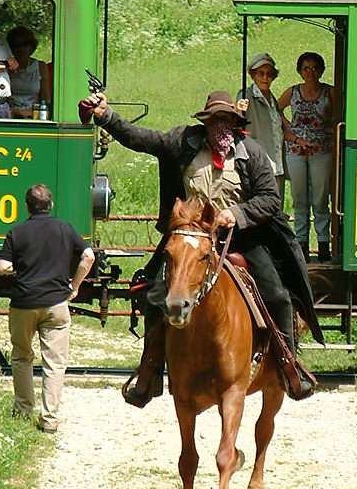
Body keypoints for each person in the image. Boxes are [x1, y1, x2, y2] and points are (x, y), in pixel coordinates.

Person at [84, 89, 322, 408]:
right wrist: (106, 116)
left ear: (235, 123)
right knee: (153, 290)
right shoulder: (182, 142)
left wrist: (235, 213)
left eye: (226, 120)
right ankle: (149, 370)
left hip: (241, 236)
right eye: (214, 120)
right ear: (206, 122)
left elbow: (269, 198)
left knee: (277, 295)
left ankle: (288, 365)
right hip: (190, 235)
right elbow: (141, 138)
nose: (220, 126)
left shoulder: (252, 152)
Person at [0, 184, 95, 433]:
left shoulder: (16, 232)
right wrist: (74, 285)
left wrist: (22, 268)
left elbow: (3, 268)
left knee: (21, 356)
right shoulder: (65, 229)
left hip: (24, 304)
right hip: (56, 304)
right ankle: (49, 418)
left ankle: (22, 410)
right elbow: (89, 257)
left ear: (27, 207)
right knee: (54, 362)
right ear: (51, 205)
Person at [277, 51, 339, 263]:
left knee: (321, 199)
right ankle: (301, 244)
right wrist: (290, 130)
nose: (310, 72)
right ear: (300, 71)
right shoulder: (293, 92)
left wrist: (330, 129)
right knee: (299, 198)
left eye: (314, 68)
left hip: (322, 150)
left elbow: (342, 112)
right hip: (295, 150)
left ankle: (323, 244)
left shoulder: (329, 91)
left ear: (321, 70)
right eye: (306, 68)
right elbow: (276, 109)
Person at [236, 53, 306, 201]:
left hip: (277, 164)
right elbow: (237, 123)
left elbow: (277, 130)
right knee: (262, 205)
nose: (265, 78)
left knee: (276, 207)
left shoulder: (272, 98)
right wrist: (238, 110)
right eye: (261, 73)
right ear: (253, 75)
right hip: (259, 163)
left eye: (269, 74)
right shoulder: (246, 95)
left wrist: (298, 140)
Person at [6, 25, 53, 118]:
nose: (21, 49)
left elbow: (46, 100)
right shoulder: (5, 66)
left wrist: (23, 112)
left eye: (25, 44)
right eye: (16, 45)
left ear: (31, 46)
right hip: (8, 114)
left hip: (33, 114)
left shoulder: (40, 66)